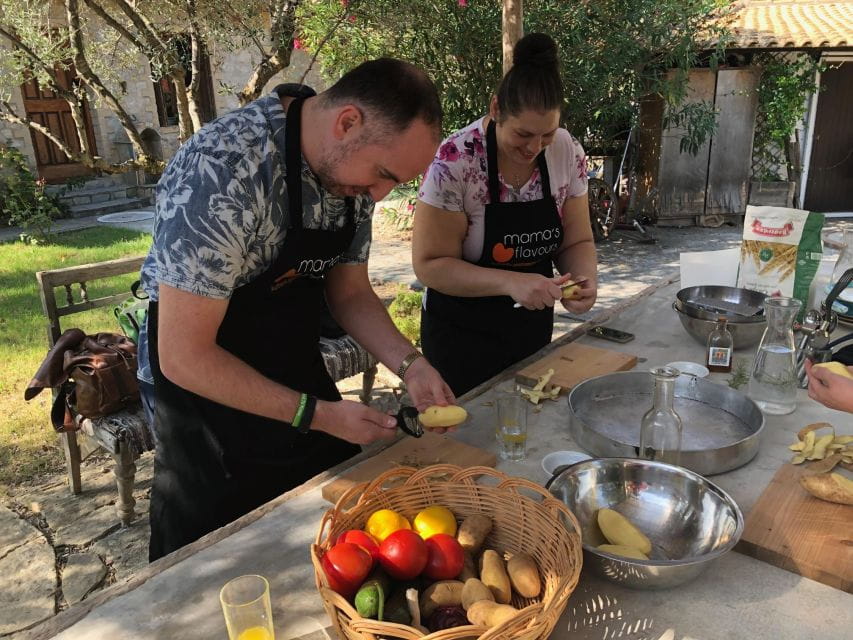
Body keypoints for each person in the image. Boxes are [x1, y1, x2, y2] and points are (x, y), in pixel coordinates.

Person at [139, 58, 455, 561]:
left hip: (294, 373)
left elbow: (349, 293)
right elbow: (183, 355)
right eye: (382, 175)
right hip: (207, 408)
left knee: (332, 544)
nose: (380, 194)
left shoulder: (351, 180)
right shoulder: (223, 168)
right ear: (347, 122)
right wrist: (318, 414)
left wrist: (410, 365)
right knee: (211, 565)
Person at [412, 33, 598, 397]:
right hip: (460, 336)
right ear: (496, 109)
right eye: (523, 134)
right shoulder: (457, 160)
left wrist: (583, 280)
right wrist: (510, 282)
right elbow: (430, 264)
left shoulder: (565, 150)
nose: (534, 148)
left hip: (531, 330)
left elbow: (577, 239)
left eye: (546, 135)